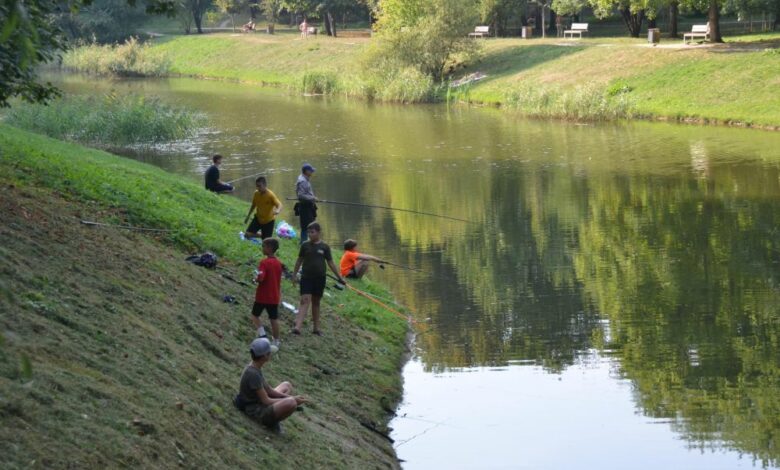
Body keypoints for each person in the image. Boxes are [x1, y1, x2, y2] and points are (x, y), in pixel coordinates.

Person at [235, 338, 306, 434]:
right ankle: (272, 422)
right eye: (269, 352)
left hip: (260, 402)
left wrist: (292, 397)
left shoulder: (255, 368)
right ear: (264, 356)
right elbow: (266, 400)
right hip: (255, 410)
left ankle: (277, 412)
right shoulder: (253, 374)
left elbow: (269, 390)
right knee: (291, 403)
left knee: (286, 385)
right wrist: (293, 400)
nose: (270, 354)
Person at [291, 222, 345, 336]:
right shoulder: (305, 245)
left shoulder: (324, 247)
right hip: (306, 277)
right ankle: (297, 327)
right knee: (304, 300)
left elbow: (330, 263)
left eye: (312, 232)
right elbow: (299, 260)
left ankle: (316, 328)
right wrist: (294, 274)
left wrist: (339, 277)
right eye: (309, 232)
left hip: (320, 279)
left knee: (316, 302)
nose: (310, 234)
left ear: (318, 232)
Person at [252, 238, 283, 346]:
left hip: (262, 296)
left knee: (255, 315)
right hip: (274, 296)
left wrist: (255, 278)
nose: (262, 248)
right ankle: (276, 341)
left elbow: (261, 278)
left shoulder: (264, 263)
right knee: (273, 319)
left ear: (269, 248)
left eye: (263, 246)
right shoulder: (279, 263)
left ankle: (262, 334)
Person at [295, 163, 317, 243]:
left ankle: (307, 241)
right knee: (306, 226)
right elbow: (301, 195)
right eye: (311, 171)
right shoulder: (303, 181)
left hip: (307, 206)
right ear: (306, 171)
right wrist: (312, 198)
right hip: (305, 207)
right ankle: (304, 243)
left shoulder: (303, 177)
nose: (312, 172)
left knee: (309, 225)